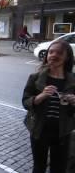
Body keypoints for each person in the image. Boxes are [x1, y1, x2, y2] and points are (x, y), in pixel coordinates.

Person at [22, 40, 75, 173]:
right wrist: (41, 96)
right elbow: (25, 102)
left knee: (59, 168)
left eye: (59, 53)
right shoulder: (36, 77)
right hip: (39, 130)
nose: (53, 55)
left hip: (63, 132)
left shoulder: (73, 80)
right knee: (39, 167)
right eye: (51, 52)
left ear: (67, 56)